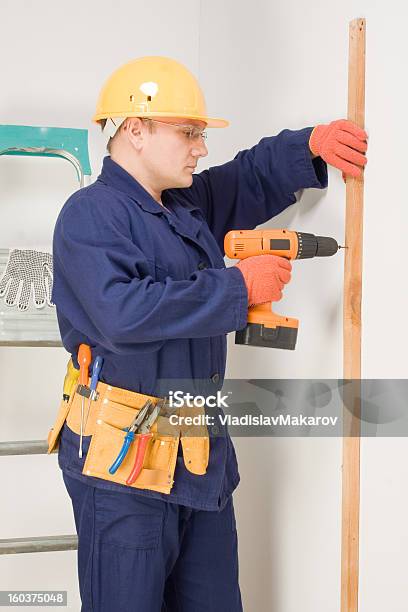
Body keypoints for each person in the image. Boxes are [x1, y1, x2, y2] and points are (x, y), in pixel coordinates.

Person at [50, 56, 368, 611]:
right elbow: (122, 315)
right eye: (188, 132)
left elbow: (248, 177)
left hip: (199, 468)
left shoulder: (183, 206)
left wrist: (309, 145)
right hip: (123, 475)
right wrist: (237, 290)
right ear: (135, 130)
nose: (200, 146)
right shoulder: (90, 215)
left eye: (200, 134)